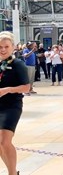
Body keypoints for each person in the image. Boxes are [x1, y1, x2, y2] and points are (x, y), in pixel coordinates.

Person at [0, 31, 31, 175]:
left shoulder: (18, 64)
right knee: (0, 144)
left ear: (13, 47)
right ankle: (13, 171)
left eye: (6, 46)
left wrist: (7, 90)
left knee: (5, 141)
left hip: (11, 106)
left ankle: (12, 173)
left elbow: (26, 87)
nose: (3, 49)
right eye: (0, 46)